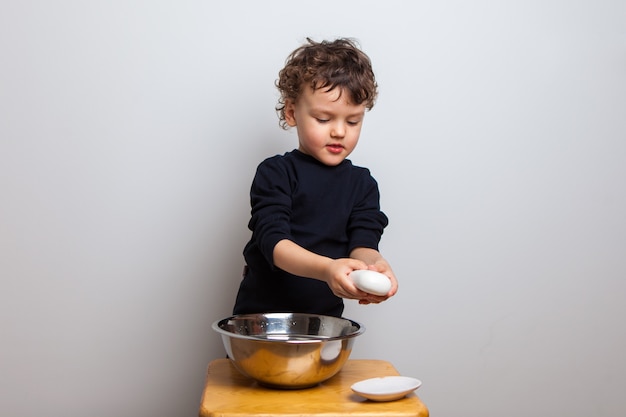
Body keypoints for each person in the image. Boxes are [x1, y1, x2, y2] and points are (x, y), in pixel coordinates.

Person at [232, 38, 398, 318]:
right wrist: (327, 269)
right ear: (291, 112)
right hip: (261, 319)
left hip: (325, 323)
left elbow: (363, 245)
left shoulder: (362, 185)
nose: (339, 132)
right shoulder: (276, 173)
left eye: (352, 121)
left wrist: (374, 266)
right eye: (324, 119)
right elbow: (275, 244)